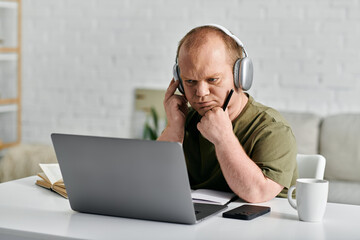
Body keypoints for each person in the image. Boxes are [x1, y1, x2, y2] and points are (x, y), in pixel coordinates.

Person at [158, 24, 298, 203]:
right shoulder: (185, 121)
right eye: (190, 81)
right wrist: (174, 128)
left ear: (241, 76)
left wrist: (223, 138)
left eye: (212, 79)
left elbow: (257, 193)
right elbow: (149, 184)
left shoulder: (273, 130)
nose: (200, 92)